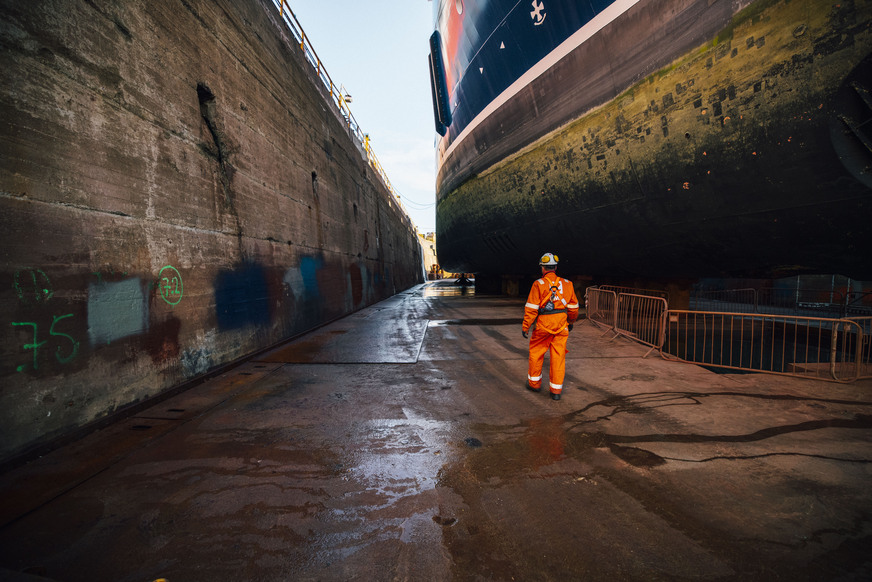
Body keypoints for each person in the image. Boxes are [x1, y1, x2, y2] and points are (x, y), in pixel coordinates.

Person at [521, 253, 579, 400]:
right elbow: (573, 308)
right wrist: (570, 322)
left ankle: (534, 384)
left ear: (543, 268)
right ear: (556, 267)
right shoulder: (568, 284)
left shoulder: (538, 284)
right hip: (561, 325)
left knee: (536, 353)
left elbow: (532, 308)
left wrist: (526, 326)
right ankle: (556, 392)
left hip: (543, 325)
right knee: (558, 357)